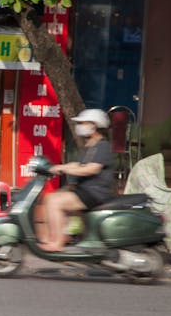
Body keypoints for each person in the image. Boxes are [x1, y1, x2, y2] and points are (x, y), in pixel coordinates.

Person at [39, 108, 115, 252]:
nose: (80, 126)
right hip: (84, 190)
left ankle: (57, 243)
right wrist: (58, 167)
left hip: (94, 193)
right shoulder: (90, 146)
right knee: (49, 198)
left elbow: (91, 169)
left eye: (83, 123)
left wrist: (65, 169)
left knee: (55, 202)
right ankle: (55, 237)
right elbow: (78, 165)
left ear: (94, 125)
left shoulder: (102, 146)